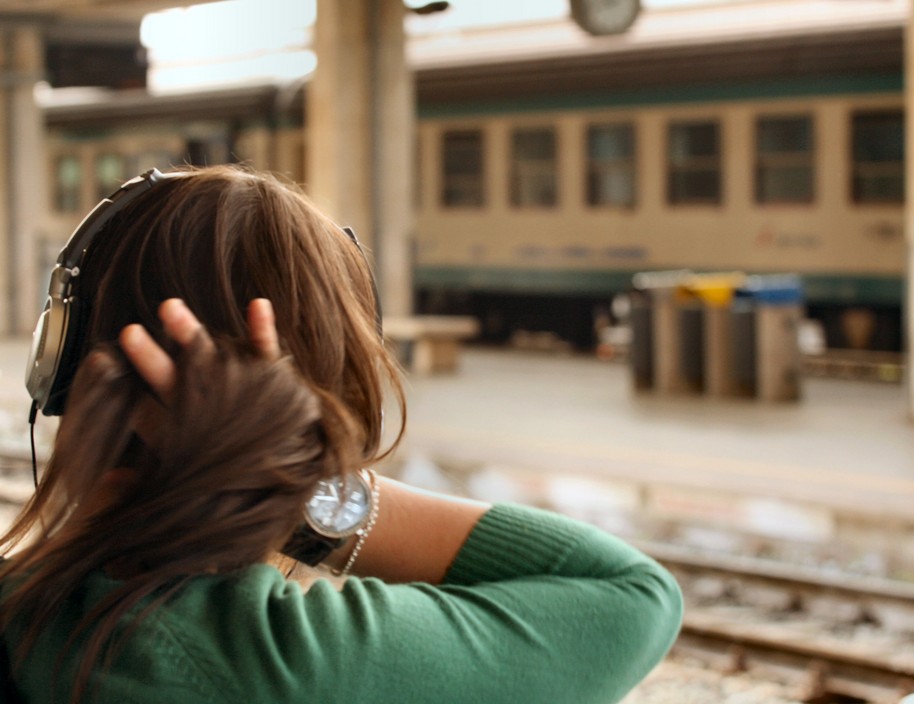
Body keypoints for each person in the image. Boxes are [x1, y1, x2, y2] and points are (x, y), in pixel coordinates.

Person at [0, 165, 682, 703]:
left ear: (59, 366)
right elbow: (629, 594)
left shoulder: (29, 610)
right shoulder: (264, 657)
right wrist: (294, 482)